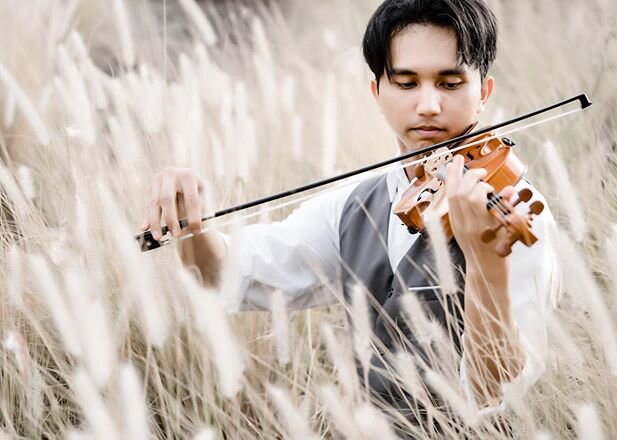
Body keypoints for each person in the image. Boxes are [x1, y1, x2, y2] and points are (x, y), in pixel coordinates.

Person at [140, 0, 557, 435]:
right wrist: (191, 225)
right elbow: (224, 274)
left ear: (483, 93)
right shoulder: (352, 207)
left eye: (450, 83)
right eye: (407, 82)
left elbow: (498, 393)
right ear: (377, 92)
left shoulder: (516, 210)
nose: (429, 104)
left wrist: (487, 263)